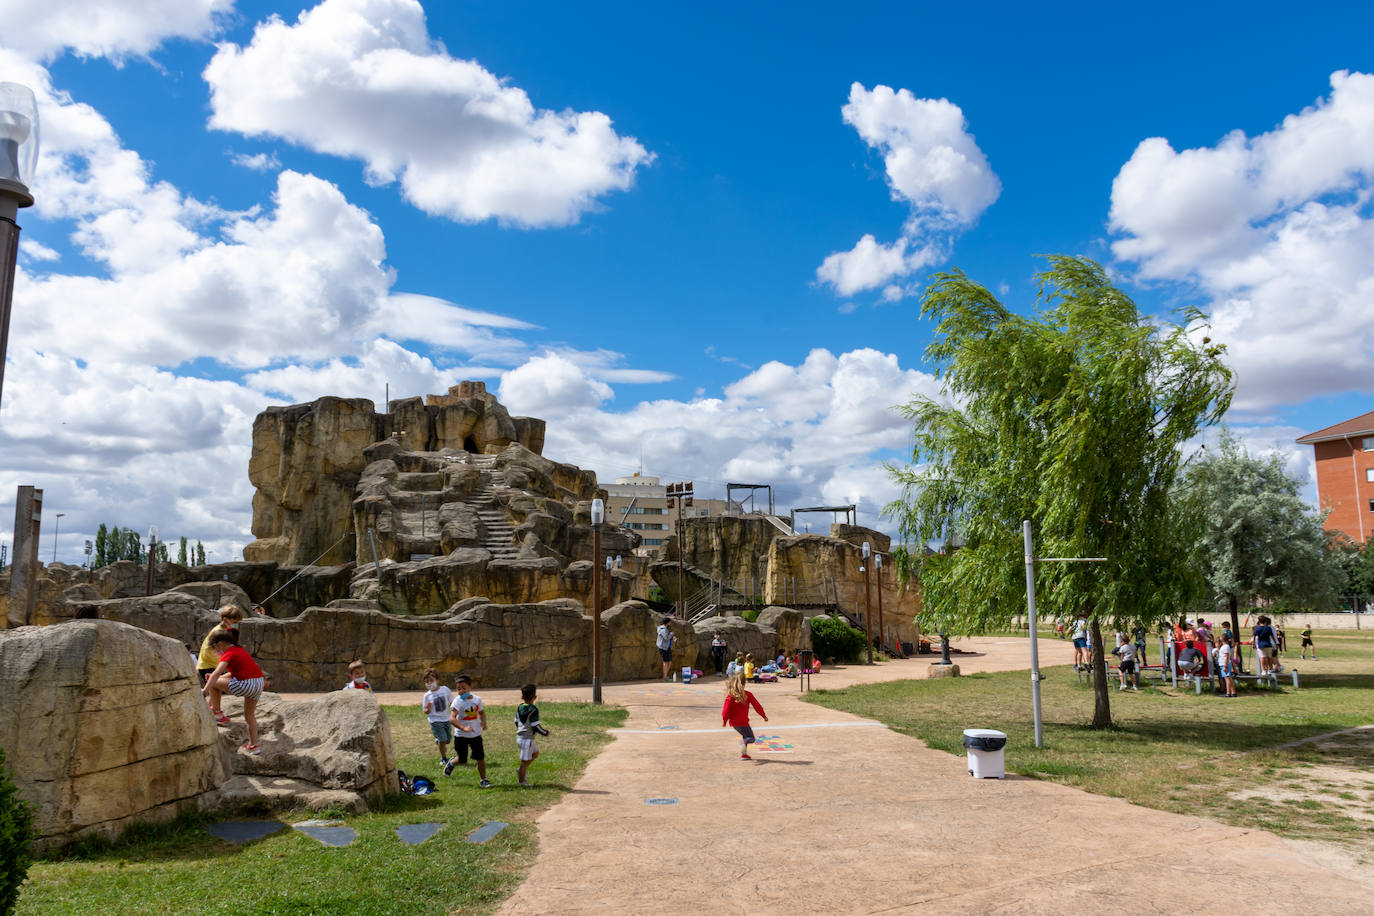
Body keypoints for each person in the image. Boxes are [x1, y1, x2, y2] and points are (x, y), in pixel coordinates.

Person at [202, 630, 264, 754]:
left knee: (211, 680)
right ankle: (254, 746)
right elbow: (237, 672)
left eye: (214, 647)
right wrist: (220, 679)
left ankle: (217, 713)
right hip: (258, 683)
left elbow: (216, 673)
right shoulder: (239, 650)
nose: (215, 651)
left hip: (245, 684)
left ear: (220, 644)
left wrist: (205, 690)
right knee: (249, 716)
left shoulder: (228, 653)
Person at [444, 675, 491, 787]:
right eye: (458, 689)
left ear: (470, 687)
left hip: (475, 734)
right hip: (461, 736)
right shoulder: (457, 701)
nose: (461, 691)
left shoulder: (477, 700)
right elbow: (452, 718)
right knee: (462, 759)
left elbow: (482, 713)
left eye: (463, 688)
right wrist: (463, 728)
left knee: (480, 758)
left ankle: (483, 780)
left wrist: (484, 722)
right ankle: (451, 763)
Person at [721, 671, 768, 759]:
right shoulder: (748, 695)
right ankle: (744, 743)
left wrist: (724, 721)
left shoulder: (730, 696)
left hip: (734, 724)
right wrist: (764, 716)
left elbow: (725, 711)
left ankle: (744, 754)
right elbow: (757, 706)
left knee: (745, 736)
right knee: (751, 738)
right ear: (744, 683)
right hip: (743, 723)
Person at [514, 683, 551, 787]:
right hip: (527, 740)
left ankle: (521, 770)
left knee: (535, 753)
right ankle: (521, 782)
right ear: (535, 697)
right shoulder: (533, 709)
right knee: (524, 761)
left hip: (521, 738)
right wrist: (545, 732)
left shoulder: (519, 707)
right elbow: (535, 726)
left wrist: (521, 729)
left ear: (522, 697)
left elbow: (516, 722)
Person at [421, 668, 453, 766]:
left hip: (446, 719)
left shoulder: (445, 690)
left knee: (447, 740)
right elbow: (425, 711)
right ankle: (443, 758)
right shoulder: (427, 696)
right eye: (426, 682)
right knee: (443, 739)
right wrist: (428, 708)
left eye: (431, 680)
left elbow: (452, 702)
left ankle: (439, 740)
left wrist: (455, 712)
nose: (429, 683)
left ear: (437, 680)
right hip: (435, 720)